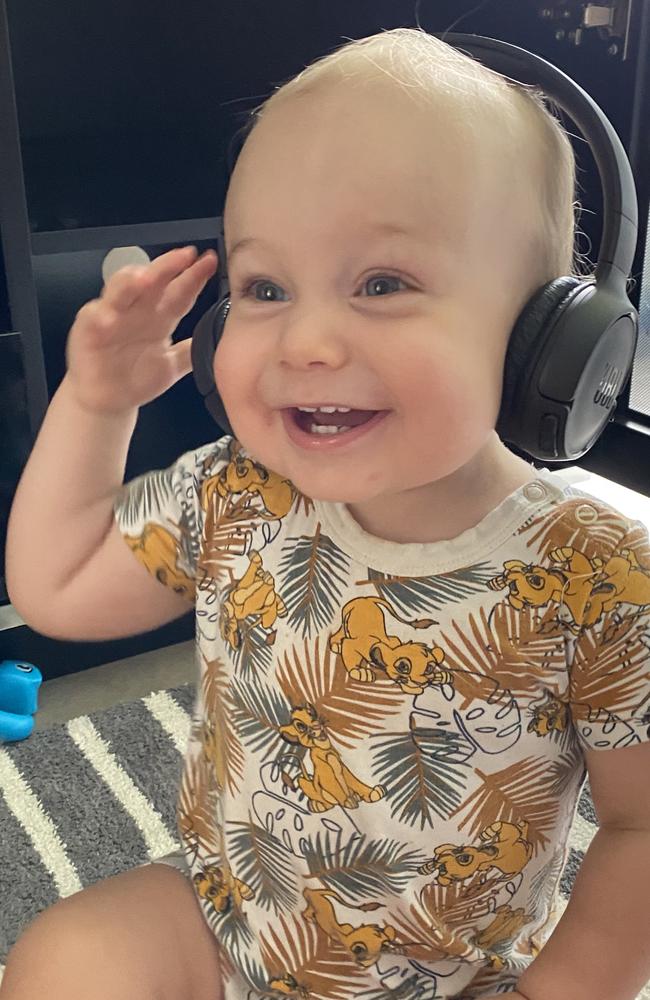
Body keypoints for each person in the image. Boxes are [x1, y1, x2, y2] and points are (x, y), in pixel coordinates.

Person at [3, 25, 650, 1000]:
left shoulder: (594, 570)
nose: (303, 337)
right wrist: (98, 404)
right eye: (264, 286)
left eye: (380, 283)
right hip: (224, 927)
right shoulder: (232, 491)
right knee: (65, 963)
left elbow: (641, 829)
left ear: (547, 344)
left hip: (456, 976)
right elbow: (52, 590)